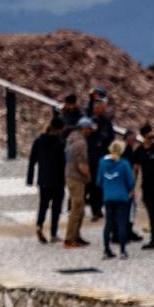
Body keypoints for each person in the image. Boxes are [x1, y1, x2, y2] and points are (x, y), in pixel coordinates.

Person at [26, 115, 68, 243]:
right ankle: (53, 233)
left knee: (43, 205)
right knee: (56, 208)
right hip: (58, 181)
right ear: (60, 129)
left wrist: (30, 179)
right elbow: (63, 163)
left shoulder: (38, 141)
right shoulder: (60, 143)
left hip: (43, 180)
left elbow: (32, 161)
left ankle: (39, 225)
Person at [98, 140, 136, 259]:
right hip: (122, 196)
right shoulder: (124, 163)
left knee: (108, 224)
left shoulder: (102, 162)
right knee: (121, 223)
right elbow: (131, 181)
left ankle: (106, 250)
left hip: (108, 196)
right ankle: (123, 251)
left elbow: (99, 181)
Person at [62, 117, 94, 248]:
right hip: (77, 178)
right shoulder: (81, 143)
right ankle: (70, 239)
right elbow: (82, 164)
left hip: (69, 175)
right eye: (90, 129)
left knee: (79, 209)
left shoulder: (71, 138)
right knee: (77, 209)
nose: (91, 131)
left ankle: (76, 236)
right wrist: (89, 176)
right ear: (84, 128)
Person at [84, 89, 114, 220]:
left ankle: (97, 209)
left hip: (101, 157)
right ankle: (86, 208)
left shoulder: (105, 120)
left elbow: (110, 138)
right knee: (88, 184)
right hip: (89, 157)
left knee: (99, 185)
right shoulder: (86, 119)